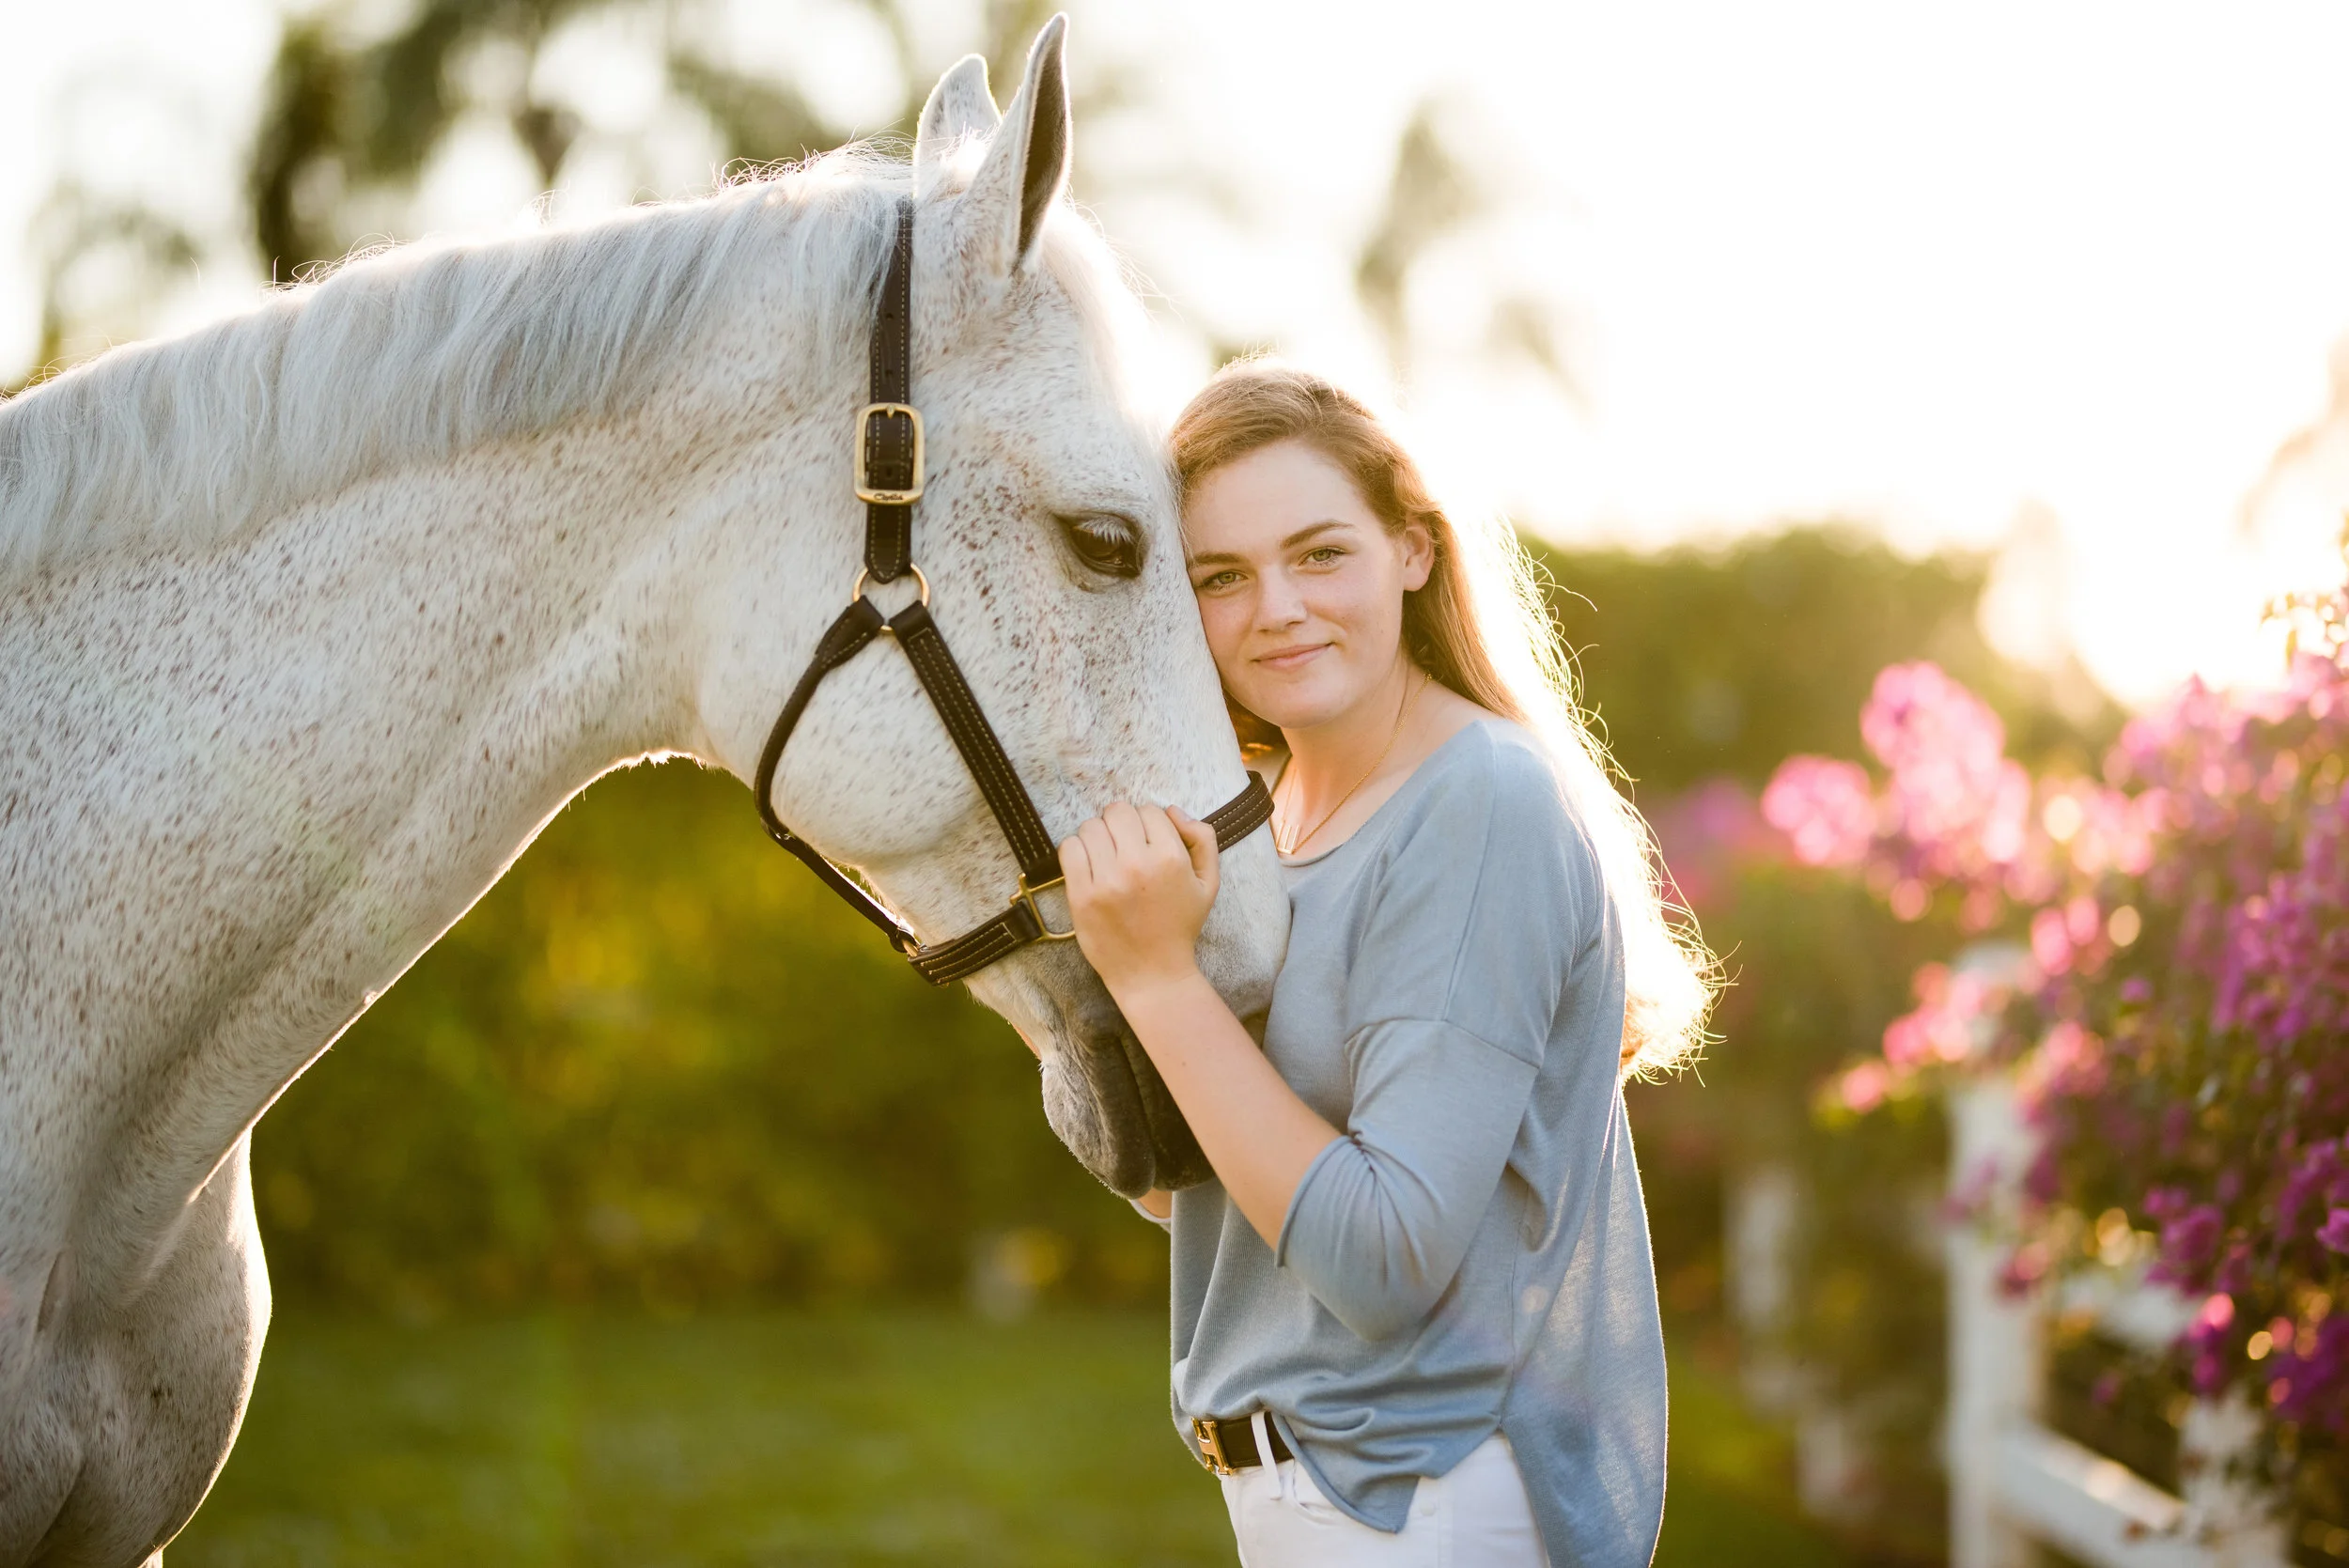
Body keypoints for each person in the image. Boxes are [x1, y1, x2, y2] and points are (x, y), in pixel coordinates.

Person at [1053, 363, 1716, 1567]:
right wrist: (1097, 966)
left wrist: (1159, 980)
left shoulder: (1477, 804)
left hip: (1426, 1500)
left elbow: (1384, 1255)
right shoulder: (1263, 816)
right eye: (1221, 577)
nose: (1276, 610)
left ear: (1412, 549)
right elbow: (1196, 1190)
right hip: (1310, 1497)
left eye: (1319, 554)